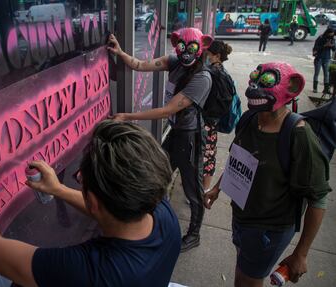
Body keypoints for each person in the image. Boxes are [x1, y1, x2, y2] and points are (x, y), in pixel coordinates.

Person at [0, 120, 181, 287]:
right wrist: (58, 189)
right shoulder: (162, 213)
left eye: (81, 179)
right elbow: (109, 206)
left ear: (94, 202)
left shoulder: (90, 272)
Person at [204, 62, 331, 287]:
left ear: (291, 89)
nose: (254, 87)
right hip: (242, 217)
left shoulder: (299, 136)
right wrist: (217, 188)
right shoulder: (249, 119)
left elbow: (318, 198)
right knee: (244, 268)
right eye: (254, 78)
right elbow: (238, 159)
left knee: (246, 280)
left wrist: (301, 253)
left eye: (267, 81)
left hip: (269, 229)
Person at [108, 28, 213, 252]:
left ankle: (194, 234)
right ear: (176, 44)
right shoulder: (173, 61)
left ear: (202, 46)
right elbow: (138, 65)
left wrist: (127, 116)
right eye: (182, 47)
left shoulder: (202, 78)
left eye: (192, 47)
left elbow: (167, 111)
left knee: (193, 188)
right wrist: (120, 52)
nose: (186, 52)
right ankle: (155, 221)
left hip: (190, 137)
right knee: (158, 175)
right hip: (175, 132)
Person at [203, 40, 233, 191]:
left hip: (207, 120)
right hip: (213, 122)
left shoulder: (213, 73)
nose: (206, 57)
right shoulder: (223, 72)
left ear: (217, 56)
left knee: (206, 155)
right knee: (209, 154)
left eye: (208, 54)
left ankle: (205, 188)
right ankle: (204, 187)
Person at [313, 28, 335, 94]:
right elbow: (316, 48)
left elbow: (334, 49)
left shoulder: (332, 39)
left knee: (326, 74)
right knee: (317, 73)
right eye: (330, 34)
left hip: (327, 58)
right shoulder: (321, 37)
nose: (331, 36)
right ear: (327, 33)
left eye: (332, 35)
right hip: (319, 57)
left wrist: (332, 46)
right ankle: (315, 88)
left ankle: (326, 89)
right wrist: (325, 45)